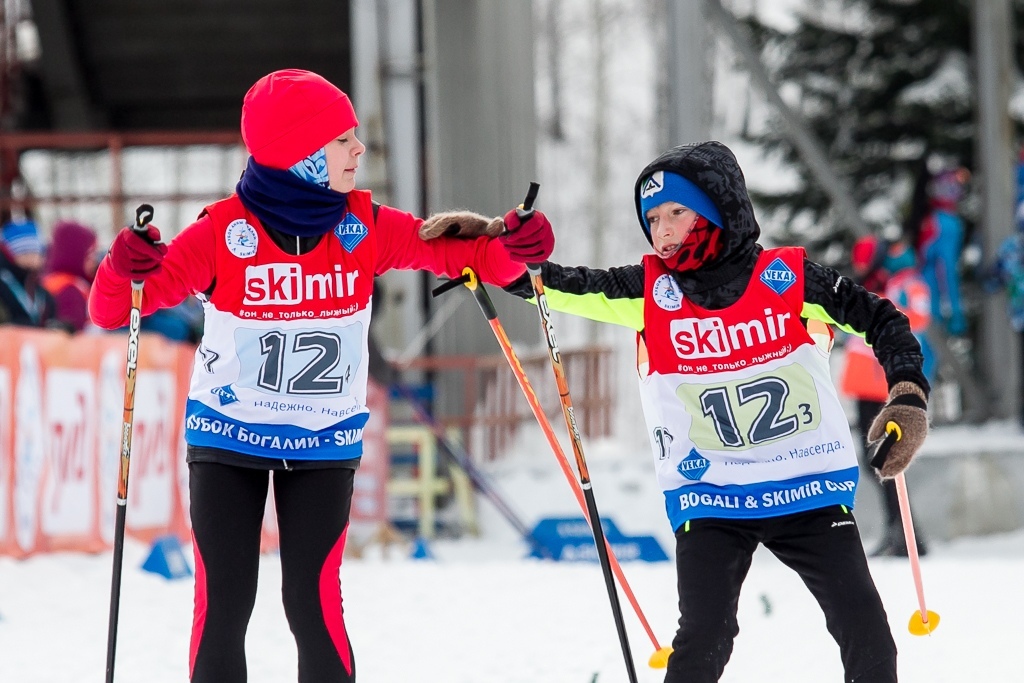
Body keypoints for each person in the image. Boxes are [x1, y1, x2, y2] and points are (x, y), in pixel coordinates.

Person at [87, 68, 548, 683]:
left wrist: (515, 245)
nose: (359, 149)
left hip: (322, 440)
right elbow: (114, 307)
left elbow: (468, 254)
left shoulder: (365, 225)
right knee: (226, 601)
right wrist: (126, 265)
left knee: (311, 601)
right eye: (341, 140)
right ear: (298, 155)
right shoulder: (224, 233)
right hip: (229, 437)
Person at [503, 141, 930, 682]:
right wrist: (492, 246)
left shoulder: (787, 278)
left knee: (866, 631)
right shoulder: (650, 289)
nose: (662, 231)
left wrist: (907, 396)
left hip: (806, 487)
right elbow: (543, 284)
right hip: (711, 498)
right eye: (652, 218)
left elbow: (884, 320)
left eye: (677, 213)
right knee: (703, 639)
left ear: (717, 209)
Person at [840, 234, 933, 557]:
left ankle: (907, 536)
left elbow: (919, 317)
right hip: (866, 384)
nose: (860, 266)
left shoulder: (905, 282)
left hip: (886, 384)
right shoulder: (871, 283)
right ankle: (900, 532)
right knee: (874, 462)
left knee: (886, 459)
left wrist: (881, 309)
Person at [41, 219, 99, 332]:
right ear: (76, 255)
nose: (93, 261)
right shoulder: (70, 290)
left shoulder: (50, 280)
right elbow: (72, 331)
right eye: (90, 255)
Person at [0, 217, 58, 327]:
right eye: (26, 252)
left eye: (36, 252)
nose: (34, 258)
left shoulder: (40, 290)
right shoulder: (4, 285)